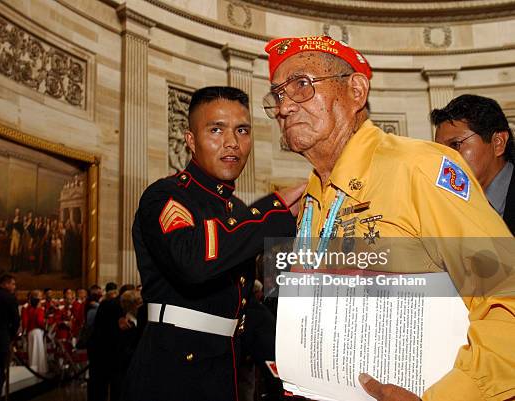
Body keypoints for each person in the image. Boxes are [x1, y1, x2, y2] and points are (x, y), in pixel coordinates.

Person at [262, 35, 515, 401]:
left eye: (301, 85)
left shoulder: (419, 168)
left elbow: (506, 295)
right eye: (278, 95)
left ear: (356, 90)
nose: (284, 107)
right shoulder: (315, 194)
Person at [121, 86, 303, 401]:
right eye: (216, 129)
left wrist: (298, 366)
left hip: (225, 372)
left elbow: (245, 309)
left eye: (242, 130)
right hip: (172, 376)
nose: (232, 142)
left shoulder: (234, 213)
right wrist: (272, 210)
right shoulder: (165, 195)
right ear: (191, 140)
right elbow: (192, 261)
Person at [431, 94, 514, 234]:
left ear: (498, 142)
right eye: (440, 151)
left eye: (455, 145)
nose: (445, 159)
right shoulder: (444, 207)